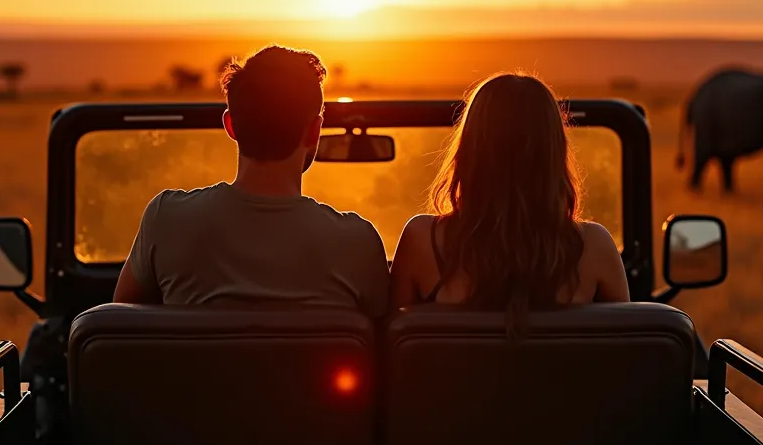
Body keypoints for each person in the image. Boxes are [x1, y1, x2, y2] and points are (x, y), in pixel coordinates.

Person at [112, 45, 390, 319]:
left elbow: (122, 329)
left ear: (231, 125)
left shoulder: (167, 220)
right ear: (314, 132)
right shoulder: (358, 243)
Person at [389, 72, 629, 336]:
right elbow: (625, 354)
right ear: (553, 151)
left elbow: (394, 352)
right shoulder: (594, 247)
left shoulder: (423, 240)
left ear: (469, 149)